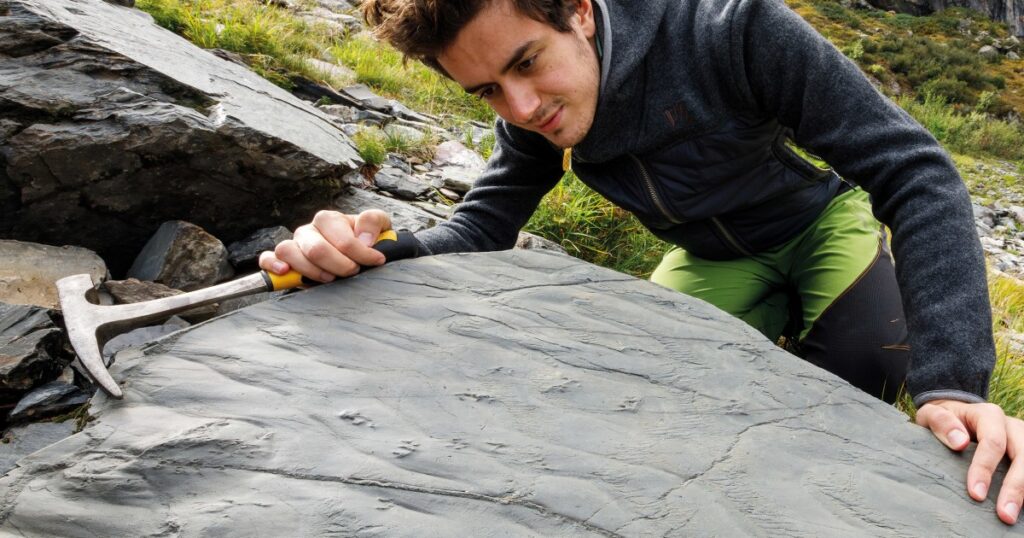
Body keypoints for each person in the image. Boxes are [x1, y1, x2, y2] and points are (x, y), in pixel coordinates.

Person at [260, 0, 1024, 524]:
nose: (522, 108)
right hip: (709, 255)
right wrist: (377, 252)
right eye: (488, 89)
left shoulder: (732, 27)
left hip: (818, 224)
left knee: (869, 366)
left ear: (580, 11)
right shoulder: (529, 111)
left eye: (528, 63)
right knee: (655, 406)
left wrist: (955, 380)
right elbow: (483, 225)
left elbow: (914, 172)